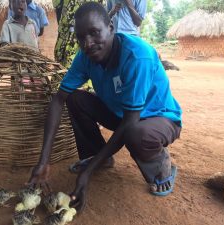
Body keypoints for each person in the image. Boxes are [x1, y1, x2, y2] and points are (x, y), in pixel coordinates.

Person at [28, 2, 182, 212]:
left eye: (94, 32)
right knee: (74, 98)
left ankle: (161, 169)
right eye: (81, 37)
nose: (88, 43)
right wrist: (43, 160)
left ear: (111, 27)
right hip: (122, 114)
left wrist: (87, 173)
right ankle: (98, 156)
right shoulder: (85, 57)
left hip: (158, 118)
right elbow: (58, 99)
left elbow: (129, 123)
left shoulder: (137, 56)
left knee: (136, 133)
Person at [54, 0, 105, 68]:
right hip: (66, 35)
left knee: (82, 64)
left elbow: (101, 15)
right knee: (62, 65)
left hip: (84, 35)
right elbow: (58, 8)